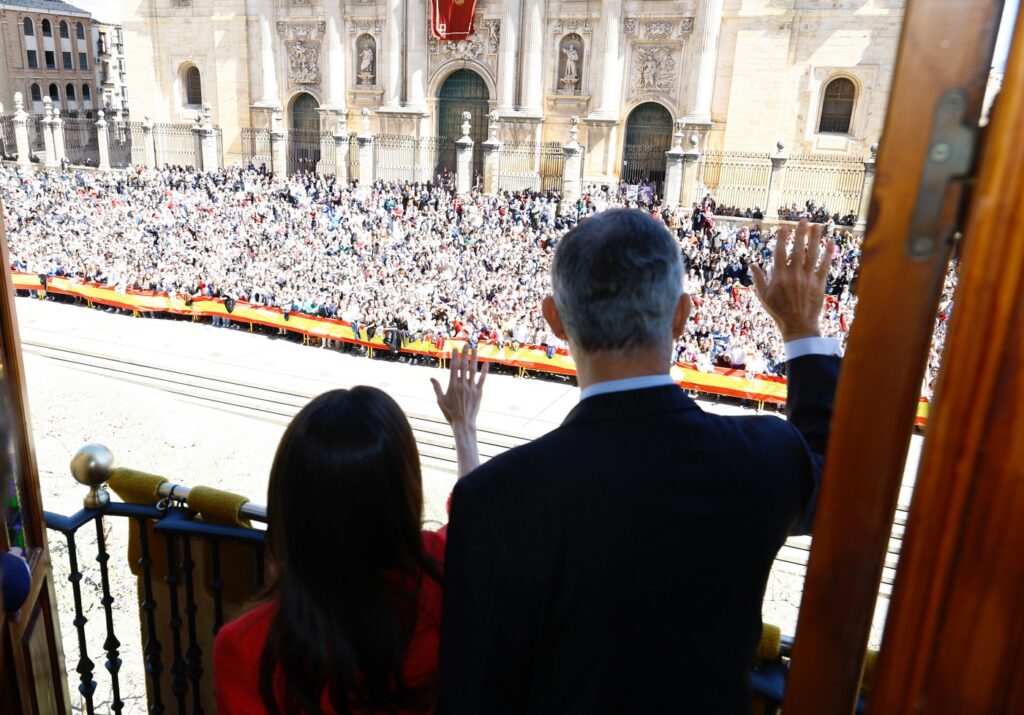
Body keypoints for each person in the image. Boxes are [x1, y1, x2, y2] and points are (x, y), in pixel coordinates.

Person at [438, 211, 840, 714]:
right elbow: (836, 486)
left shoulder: (495, 500)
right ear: (682, 315)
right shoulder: (763, 457)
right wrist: (802, 330)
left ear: (555, 320)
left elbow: (473, 698)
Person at [213, 346, 488, 714]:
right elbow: (474, 522)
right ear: (404, 491)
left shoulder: (246, 645)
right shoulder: (441, 575)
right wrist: (463, 426)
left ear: (288, 501)